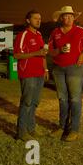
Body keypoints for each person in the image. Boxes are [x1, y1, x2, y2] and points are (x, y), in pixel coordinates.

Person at [48, 6, 83, 142]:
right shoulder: (55, 32)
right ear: (61, 18)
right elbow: (50, 51)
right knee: (62, 99)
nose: (68, 18)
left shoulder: (80, 31)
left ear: (74, 18)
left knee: (74, 99)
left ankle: (74, 129)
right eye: (65, 16)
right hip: (58, 69)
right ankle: (62, 127)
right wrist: (59, 51)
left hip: (75, 68)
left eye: (71, 16)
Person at [13, 10, 49, 141]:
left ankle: (31, 128)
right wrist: (36, 53)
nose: (38, 21)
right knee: (27, 102)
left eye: (40, 18)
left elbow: (43, 54)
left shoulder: (39, 34)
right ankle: (21, 132)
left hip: (39, 73)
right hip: (28, 73)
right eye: (35, 18)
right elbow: (16, 55)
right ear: (28, 20)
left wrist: (45, 70)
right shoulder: (23, 35)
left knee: (34, 102)